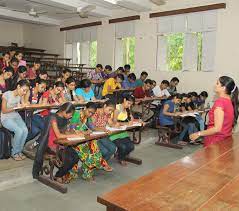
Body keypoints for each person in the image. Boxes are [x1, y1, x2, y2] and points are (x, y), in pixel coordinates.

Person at [190, 76, 238, 147]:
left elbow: (217, 128)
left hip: (215, 140)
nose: (215, 85)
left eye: (217, 83)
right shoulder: (229, 101)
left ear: (223, 88)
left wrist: (198, 134)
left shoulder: (220, 102)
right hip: (225, 139)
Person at [69, 102, 112, 181]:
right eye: (89, 112)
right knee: (89, 152)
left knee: (94, 147)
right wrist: (84, 132)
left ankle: (88, 170)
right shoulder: (77, 114)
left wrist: (104, 129)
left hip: (83, 140)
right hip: (75, 141)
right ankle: (87, 172)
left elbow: (93, 128)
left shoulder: (87, 117)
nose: (90, 114)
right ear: (85, 108)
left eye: (92, 113)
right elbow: (72, 130)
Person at [46, 102, 81, 183]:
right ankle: (59, 175)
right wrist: (74, 136)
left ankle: (60, 174)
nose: (71, 116)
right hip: (52, 145)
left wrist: (76, 133)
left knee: (75, 157)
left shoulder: (65, 119)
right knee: (69, 160)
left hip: (62, 144)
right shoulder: (53, 118)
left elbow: (65, 132)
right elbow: (58, 135)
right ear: (64, 111)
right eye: (70, 114)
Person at [1, 80, 30, 161]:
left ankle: (19, 151)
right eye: (23, 90)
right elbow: (3, 110)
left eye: (26, 91)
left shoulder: (20, 96)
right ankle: (14, 152)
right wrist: (15, 108)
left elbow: (23, 104)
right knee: (19, 131)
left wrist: (25, 104)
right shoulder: (7, 94)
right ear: (18, 87)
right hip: (6, 117)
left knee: (25, 130)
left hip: (15, 116)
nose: (24, 93)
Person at [109, 95, 136, 166]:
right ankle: (121, 158)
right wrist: (126, 123)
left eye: (131, 104)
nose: (129, 105)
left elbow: (131, 119)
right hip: (114, 132)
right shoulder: (117, 108)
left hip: (122, 132)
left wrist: (130, 114)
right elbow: (114, 122)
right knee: (123, 147)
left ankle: (120, 154)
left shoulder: (127, 109)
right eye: (128, 103)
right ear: (124, 100)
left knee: (131, 146)